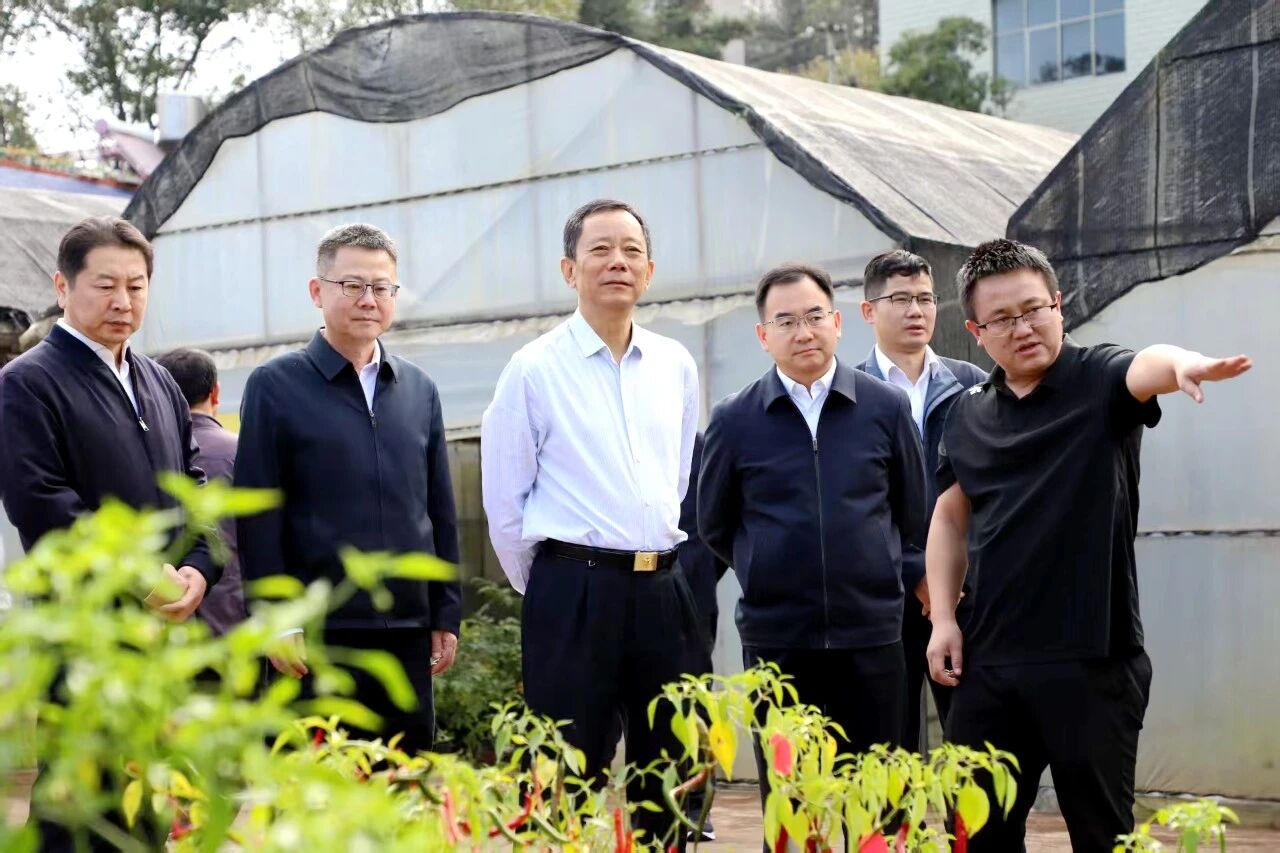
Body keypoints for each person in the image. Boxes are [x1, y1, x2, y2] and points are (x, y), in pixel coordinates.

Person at [926, 238, 1251, 852]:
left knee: (1103, 836)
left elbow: (1146, 364)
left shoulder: (1098, 379)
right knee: (976, 836)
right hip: (988, 663)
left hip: (1093, 661)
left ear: (1058, 304)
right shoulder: (966, 413)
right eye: (1002, 318)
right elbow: (948, 516)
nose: (1023, 328)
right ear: (976, 331)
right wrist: (944, 618)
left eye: (1033, 309)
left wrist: (1183, 363)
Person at [481, 199, 705, 848]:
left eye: (632, 251)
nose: (617, 262)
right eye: (600, 249)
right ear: (569, 269)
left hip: (663, 587)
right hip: (572, 590)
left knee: (671, 768)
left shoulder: (675, 364)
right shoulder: (533, 369)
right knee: (565, 770)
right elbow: (505, 504)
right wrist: (556, 585)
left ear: (650, 270)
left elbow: (676, 480)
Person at [0, 216, 216, 852]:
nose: (123, 301)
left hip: (162, 630)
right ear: (62, 286)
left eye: (136, 286)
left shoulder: (157, 380)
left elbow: (195, 485)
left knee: (149, 800)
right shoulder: (26, 383)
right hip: (84, 634)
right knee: (81, 806)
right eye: (105, 285)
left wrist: (200, 567)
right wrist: (143, 578)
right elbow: (44, 506)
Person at [698, 262, 927, 837]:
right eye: (785, 321)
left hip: (873, 637)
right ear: (763, 335)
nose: (803, 332)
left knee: (879, 804)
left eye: (814, 316)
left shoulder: (884, 407)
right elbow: (713, 524)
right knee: (792, 807)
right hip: (779, 645)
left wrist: (877, 572)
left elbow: (912, 511)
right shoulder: (735, 419)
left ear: (838, 322)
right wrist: (764, 569)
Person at [234, 223, 461, 755]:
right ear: (318, 291)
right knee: (313, 783)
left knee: (403, 781)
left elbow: (439, 509)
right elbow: (257, 513)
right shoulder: (275, 386)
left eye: (381, 287)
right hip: (315, 635)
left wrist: (445, 612)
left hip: (405, 629)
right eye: (352, 285)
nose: (368, 300)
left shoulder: (418, 389)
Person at [854, 249, 986, 752]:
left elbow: (985, 491)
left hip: (963, 596)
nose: (917, 310)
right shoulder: (849, 394)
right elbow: (857, 504)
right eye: (901, 299)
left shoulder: (971, 386)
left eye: (926, 299)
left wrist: (952, 578)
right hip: (883, 600)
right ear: (868, 311)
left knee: (971, 741)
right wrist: (917, 573)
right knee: (890, 745)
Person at [156, 347, 247, 636]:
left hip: (171, 619)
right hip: (239, 619)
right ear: (215, 393)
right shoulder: (243, 452)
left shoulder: (149, 455)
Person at [677, 432, 728, 842]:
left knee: (691, 696)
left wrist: (698, 574)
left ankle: (695, 805)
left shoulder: (694, 444)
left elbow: (719, 522)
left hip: (689, 590)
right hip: (616, 580)